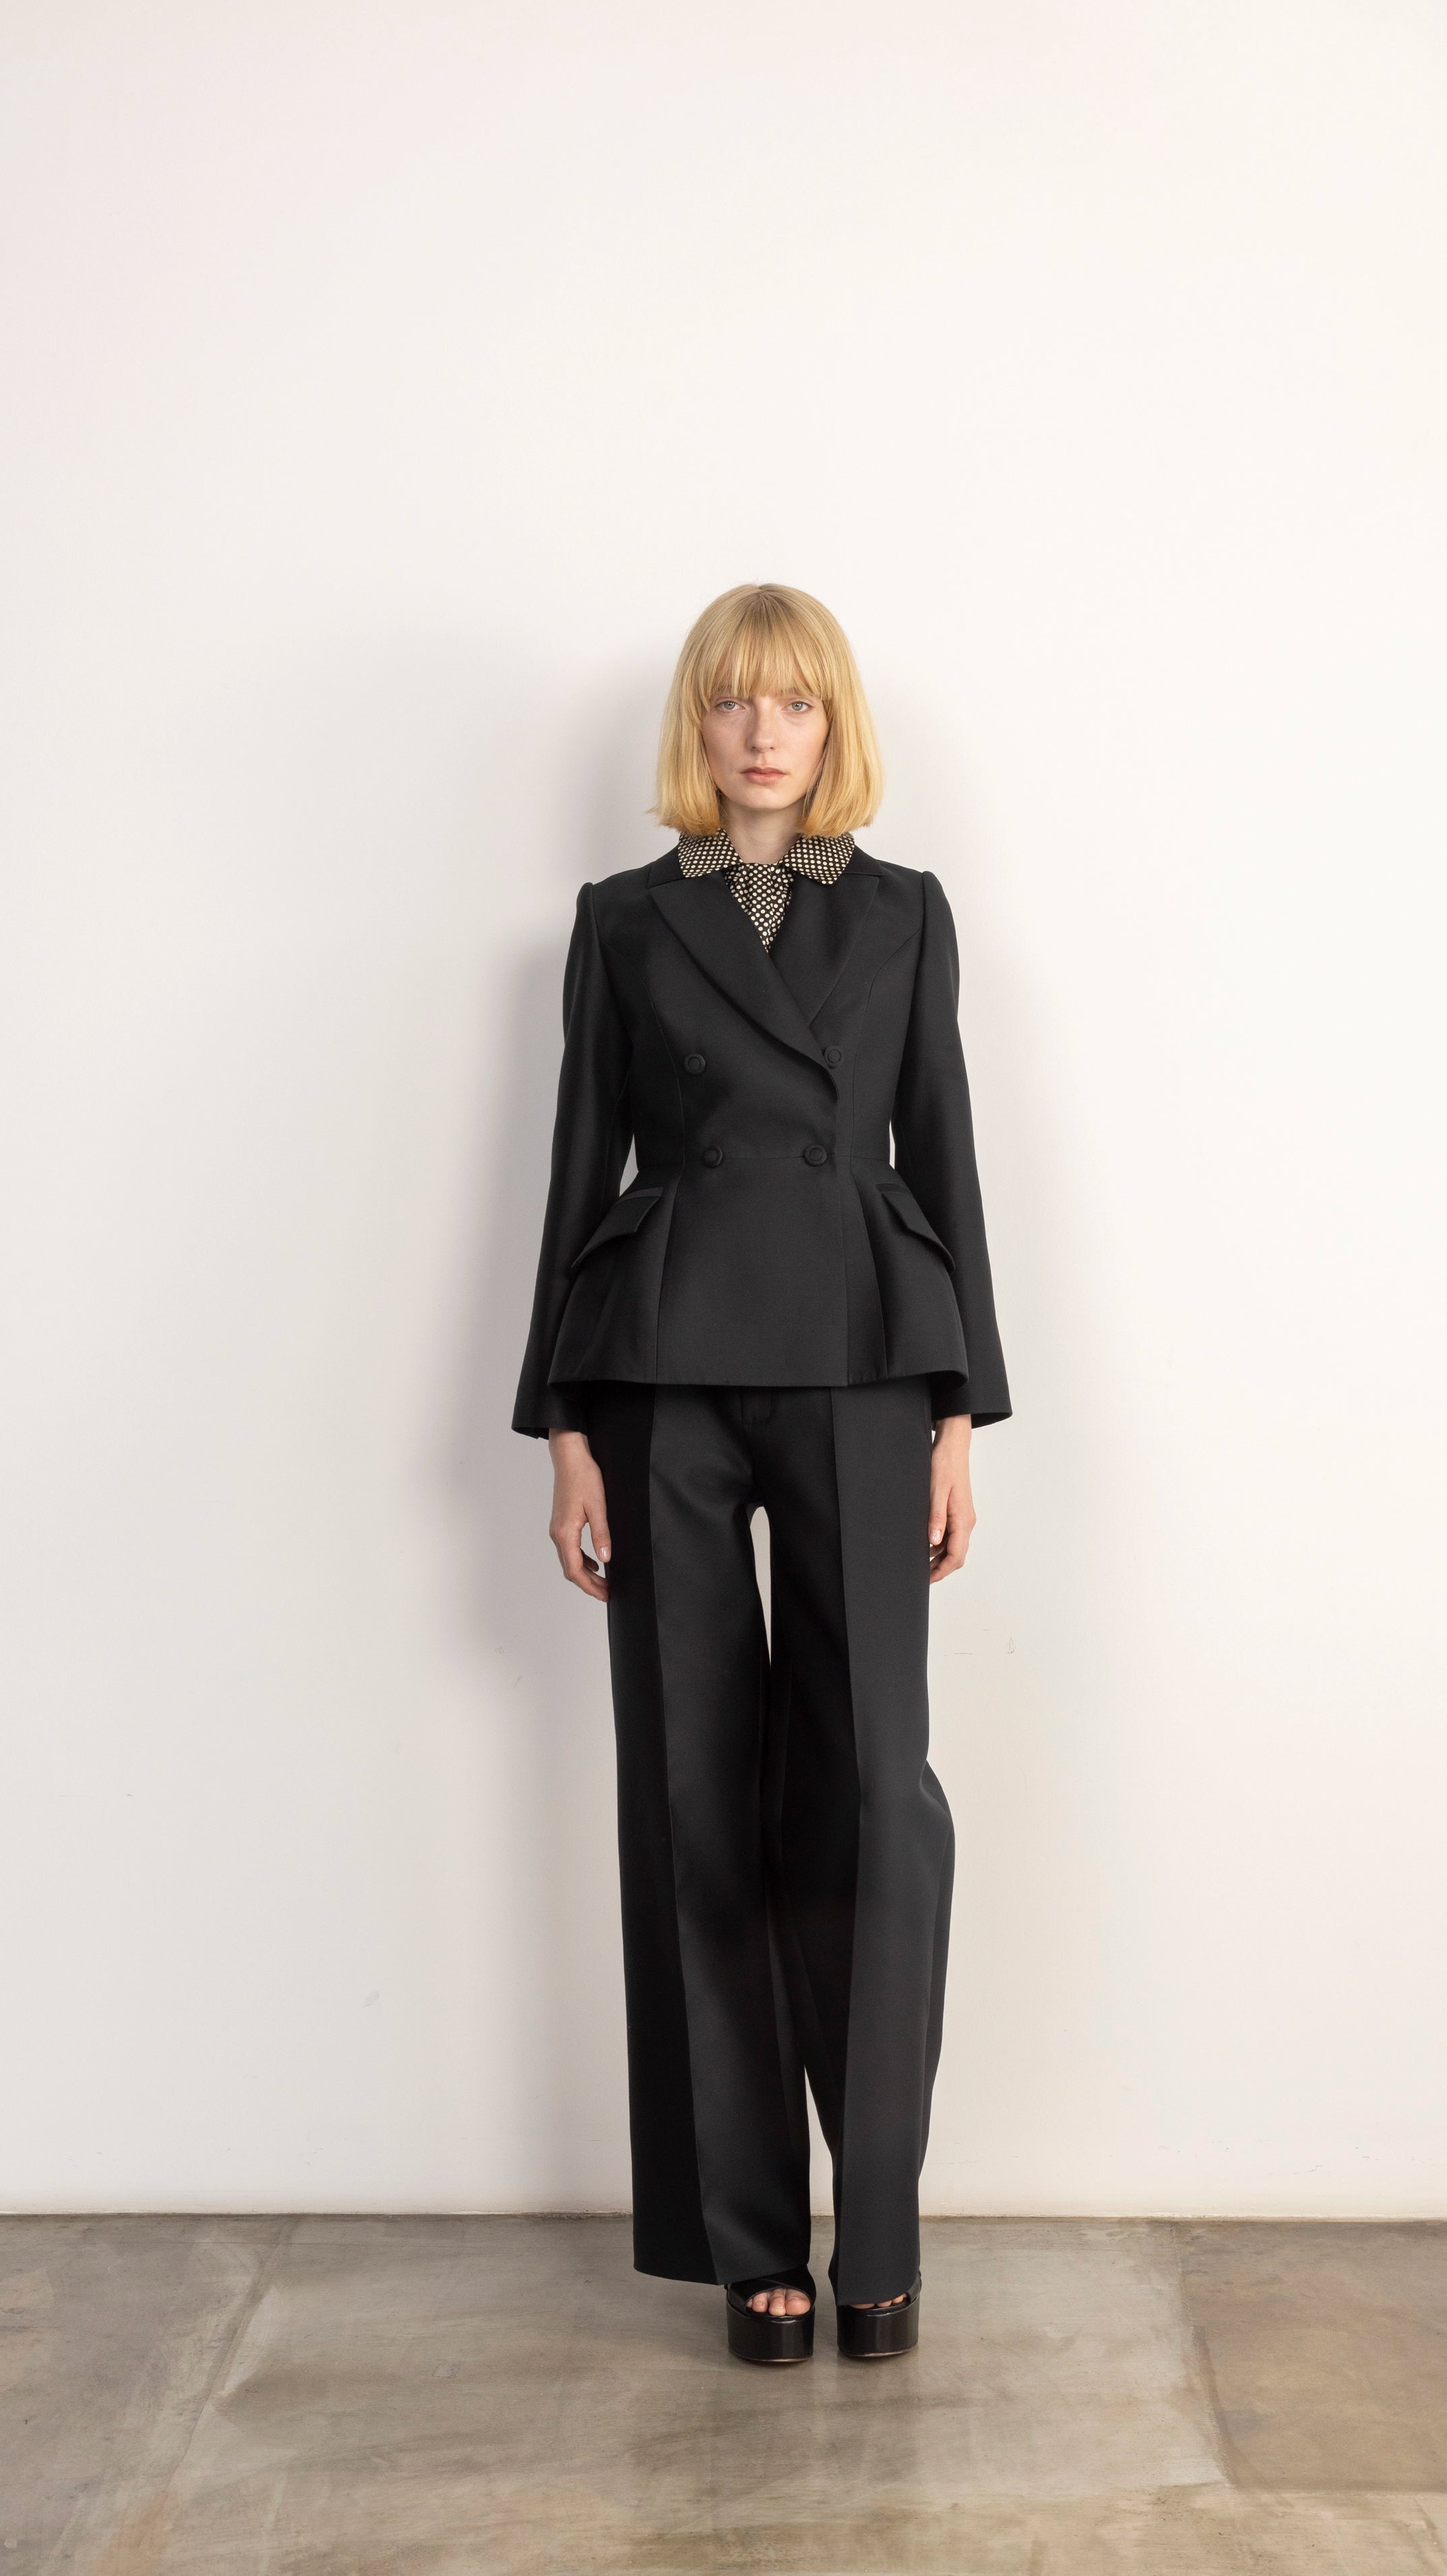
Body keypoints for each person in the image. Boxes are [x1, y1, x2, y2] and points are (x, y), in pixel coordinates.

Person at [512, 582, 1012, 2366]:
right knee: (696, 1792)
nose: (761, 732)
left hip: (868, 1361)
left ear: (832, 724)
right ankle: (747, 2236)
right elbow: (580, 1169)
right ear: (699, 726)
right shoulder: (623, 921)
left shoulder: (906, 911)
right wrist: (565, 1423)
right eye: (732, 701)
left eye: (793, 701)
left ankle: (876, 2223)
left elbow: (941, 1153)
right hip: (664, 1373)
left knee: (877, 1789)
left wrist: (961, 1412)